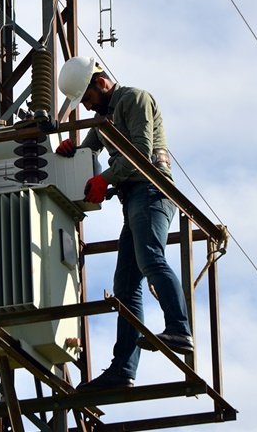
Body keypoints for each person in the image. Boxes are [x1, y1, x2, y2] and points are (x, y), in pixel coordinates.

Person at [54, 57, 194, 391]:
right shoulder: (104, 118)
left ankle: (179, 328)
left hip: (151, 189)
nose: (87, 108)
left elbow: (141, 152)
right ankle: (123, 369)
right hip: (133, 197)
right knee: (126, 286)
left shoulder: (134, 99)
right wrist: (70, 151)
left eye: (86, 99)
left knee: (150, 258)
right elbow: (87, 153)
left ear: (100, 83)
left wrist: (104, 179)